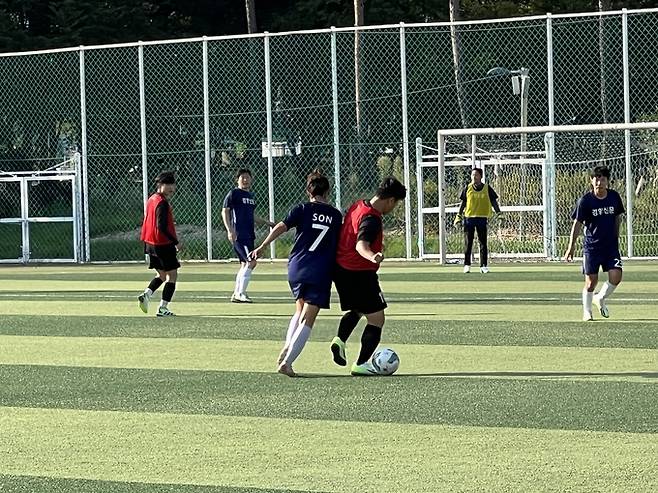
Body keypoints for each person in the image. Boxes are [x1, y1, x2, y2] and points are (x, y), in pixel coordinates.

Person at [251, 171, 343, 377]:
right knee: (309, 318)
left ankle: (287, 345)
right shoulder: (336, 215)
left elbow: (281, 227)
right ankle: (288, 361)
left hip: (297, 266)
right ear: (328, 191)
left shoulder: (301, 209)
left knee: (299, 311)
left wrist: (263, 246)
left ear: (307, 190)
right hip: (320, 268)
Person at [330, 176, 407, 376]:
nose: (394, 208)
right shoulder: (371, 218)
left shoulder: (358, 205)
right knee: (377, 319)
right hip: (360, 273)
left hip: (341, 270)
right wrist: (373, 256)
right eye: (396, 204)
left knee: (358, 309)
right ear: (390, 200)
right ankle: (362, 363)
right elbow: (360, 245)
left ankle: (340, 339)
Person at [564, 165, 625, 321]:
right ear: (591, 181)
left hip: (610, 246)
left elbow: (617, 217)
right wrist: (571, 247)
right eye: (596, 179)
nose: (599, 182)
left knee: (616, 276)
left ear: (607, 181)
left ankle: (600, 298)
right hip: (592, 247)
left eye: (603, 179)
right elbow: (577, 224)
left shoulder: (614, 197)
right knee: (591, 282)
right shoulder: (585, 201)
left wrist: (616, 237)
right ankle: (587, 311)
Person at [222, 168, 275, 303]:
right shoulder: (234, 193)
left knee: (244, 264)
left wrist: (268, 223)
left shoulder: (250, 196)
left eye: (247, 177)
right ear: (237, 180)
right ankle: (241, 293)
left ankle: (236, 293)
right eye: (242, 177)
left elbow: (252, 216)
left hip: (249, 234)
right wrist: (229, 230)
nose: (245, 180)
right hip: (239, 234)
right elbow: (225, 211)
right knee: (251, 261)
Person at [138, 170, 181, 317]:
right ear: (160, 185)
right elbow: (161, 226)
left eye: (172, 184)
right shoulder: (162, 203)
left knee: (161, 275)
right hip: (162, 243)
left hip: (150, 243)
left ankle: (146, 294)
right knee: (172, 276)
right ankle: (163, 308)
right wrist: (175, 242)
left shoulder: (152, 199)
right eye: (167, 184)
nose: (171, 187)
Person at [454, 167, 501, 274]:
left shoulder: (487, 188)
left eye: (476, 175)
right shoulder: (468, 188)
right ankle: (467, 265)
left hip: (482, 218)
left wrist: (499, 213)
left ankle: (483, 266)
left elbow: (493, 201)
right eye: (472, 175)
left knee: (483, 242)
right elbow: (463, 203)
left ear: (481, 176)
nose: (474, 177)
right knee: (468, 242)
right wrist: (459, 215)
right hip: (469, 218)